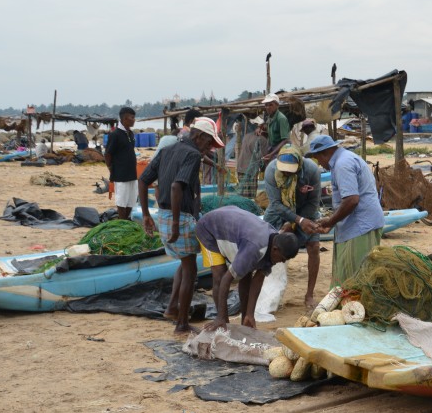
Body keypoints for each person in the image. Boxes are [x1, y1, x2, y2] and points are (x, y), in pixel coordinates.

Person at [139, 117, 225, 334]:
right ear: (199, 136)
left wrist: (147, 215)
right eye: (209, 142)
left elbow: (143, 180)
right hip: (180, 216)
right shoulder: (193, 154)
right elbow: (177, 187)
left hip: (163, 214)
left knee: (184, 263)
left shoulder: (168, 149)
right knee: (190, 270)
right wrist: (178, 223)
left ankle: (172, 307)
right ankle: (182, 324)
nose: (209, 147)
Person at [196, 206, 300, 330]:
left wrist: (250, 315)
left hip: (235, 225)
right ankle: (222, 320)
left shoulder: (275, 243)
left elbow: (257, 280)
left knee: (245, 275)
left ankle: (245, 319)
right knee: (220, 275)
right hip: (209, 229)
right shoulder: (255, 248)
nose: (281, 262)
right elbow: (226, 280)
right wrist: (221, 317)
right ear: (275, 250)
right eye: (282, 259)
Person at [305, 135, 385, 286]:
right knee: (352, 274)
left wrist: (331, 221)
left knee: (354, 279)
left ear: (324, 153)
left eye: (318, 159)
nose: (320, 164)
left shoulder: (342, 164)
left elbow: (352, 200)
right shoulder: (345, 159)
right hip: (360, 224)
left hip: (360, 226)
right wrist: (332, 222)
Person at [262, 144, 323, 307]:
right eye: (284, 170)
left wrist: (300, 221)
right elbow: (275, 204)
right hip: (278, 211)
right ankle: (263, 292)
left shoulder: (312, 170)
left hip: (305, 211)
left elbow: (313, 202)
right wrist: (292, 221)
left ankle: (309, 294)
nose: (287, 173)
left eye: (291, 170)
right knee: (264, 246)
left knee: (314, 246)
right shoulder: (271, 171)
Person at [104, 106, 138, 220]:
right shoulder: (115, 135)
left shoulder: (131, 134)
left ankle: (126, 219)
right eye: (132, 117)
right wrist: (111, 168)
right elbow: (108, 154)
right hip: (120, 173)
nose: (134, 120)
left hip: (132, 172)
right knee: (122, 199)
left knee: (132, 199)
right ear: (124, 118)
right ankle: (122, 220)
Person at [262, 93, 289, 161]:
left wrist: (272, 154)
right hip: (273, 147)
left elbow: (285, 140)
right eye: (266, 105)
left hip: (281, 149)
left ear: (277, 105)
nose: (268, 107)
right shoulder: (269, 117)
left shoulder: (281, 118)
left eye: (271, 105)